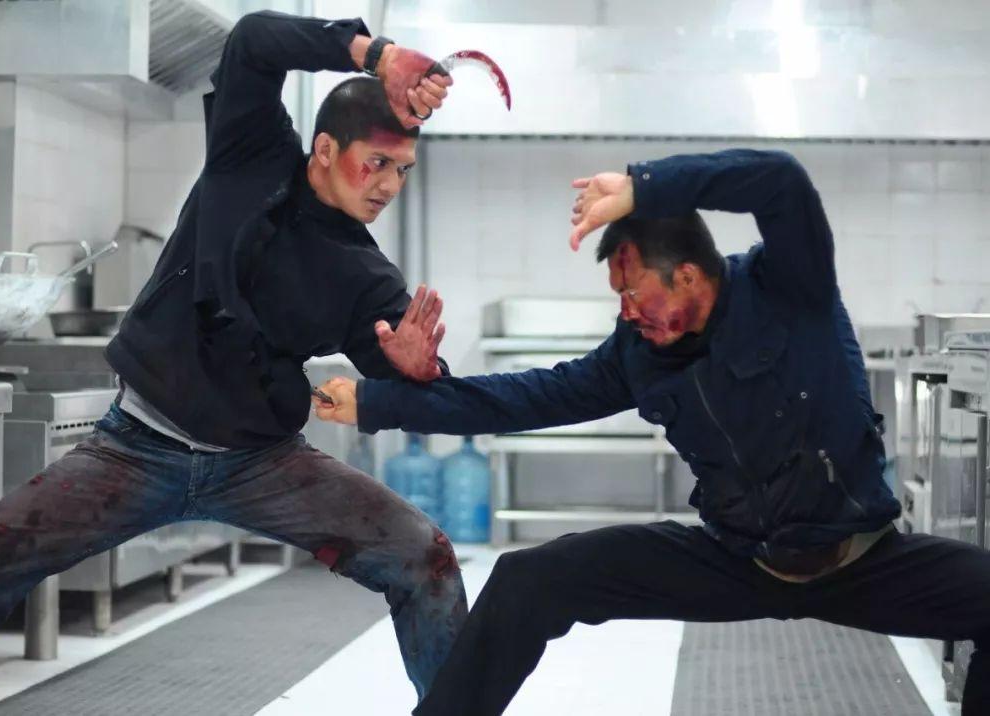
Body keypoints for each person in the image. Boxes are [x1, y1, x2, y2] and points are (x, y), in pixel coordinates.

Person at [0, 11, 467, 716]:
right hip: (135, 448)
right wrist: (375, 53)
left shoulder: (368, 275)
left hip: (263, 464)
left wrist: (417, 371)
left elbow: (404, 382)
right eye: (377, 162)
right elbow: (254, 40)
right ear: (325, 149)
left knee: (425, 558)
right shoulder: (252, 150)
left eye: (403, 171)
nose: (389, 185)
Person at [314, 148, 990, 716]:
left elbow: (780, 180)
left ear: (689, 274)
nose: (627, 312)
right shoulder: (636, 354)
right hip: (734, 558)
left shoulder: (790, 288)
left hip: (858, 558)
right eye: (618, 297)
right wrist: (375, 401)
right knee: (531, 579)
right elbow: (523, 398)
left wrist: (642, 186)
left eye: (634, 293)